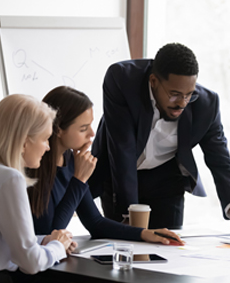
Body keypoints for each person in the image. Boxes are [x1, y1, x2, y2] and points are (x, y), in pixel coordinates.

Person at [89, 42, 230, 237]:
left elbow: (221, 160)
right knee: (122, 247)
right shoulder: (122, 80)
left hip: (166, 181)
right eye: (175, 95)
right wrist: (129, 213)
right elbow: (122, 148)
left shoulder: (206, 105)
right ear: (153, 82)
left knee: (169, 247)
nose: (182, 103)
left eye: (189, 95)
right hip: (120, 176)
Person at [27, 86, 184, 245]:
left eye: (90, 125)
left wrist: (144, 233)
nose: (92, 134)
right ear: (58, 129)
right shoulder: (34, 166)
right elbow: (50, 234)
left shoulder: (71, 160)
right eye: (83, 129)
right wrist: (79, 180)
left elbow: (95, 222)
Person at [0, 94, 73, 282]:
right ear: (24, 142)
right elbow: (30, 262)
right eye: (45, 139)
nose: (48, 147)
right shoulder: (9, 179)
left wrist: (42, 241)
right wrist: (58, 246)